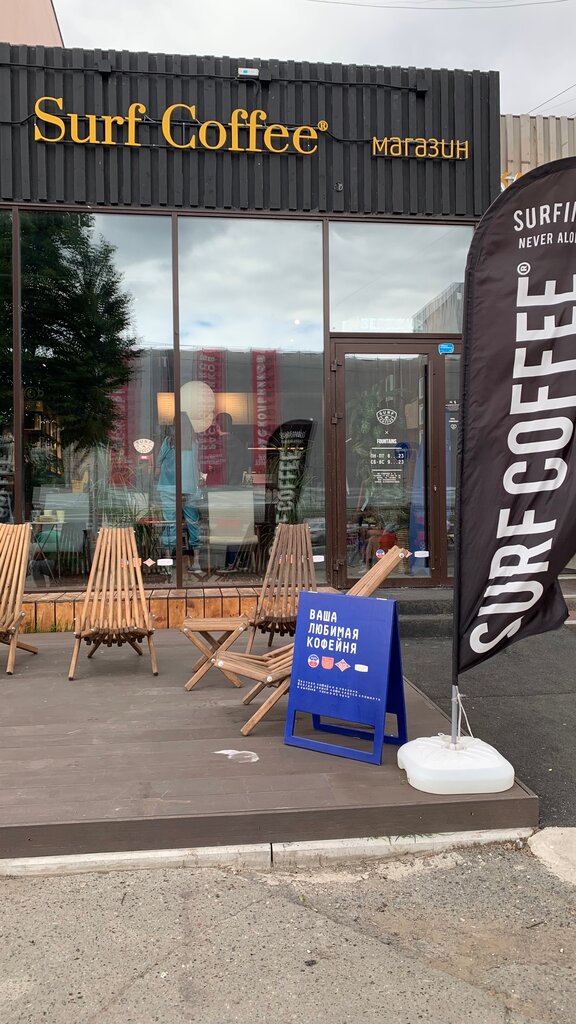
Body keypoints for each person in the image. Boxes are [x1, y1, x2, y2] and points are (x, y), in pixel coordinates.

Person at [157, 414, 202, 572]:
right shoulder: (194, 442)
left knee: (170, 524)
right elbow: (195, 466)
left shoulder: (169, 442)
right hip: (189, 488)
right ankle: (197, 562)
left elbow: (158, 461)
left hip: (169, 487)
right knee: (193, 523)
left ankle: (168, 562)